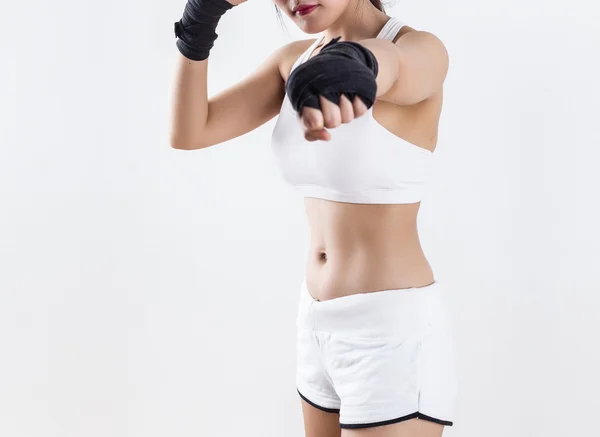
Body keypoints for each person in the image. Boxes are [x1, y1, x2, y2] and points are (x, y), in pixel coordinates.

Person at [171, 0, 457, 435]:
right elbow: (190, 131)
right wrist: (199, 21)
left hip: (391, 331)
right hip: (315, 321)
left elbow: (394, 67)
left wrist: (353, 63)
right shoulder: (295, 61)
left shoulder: (420, 48)